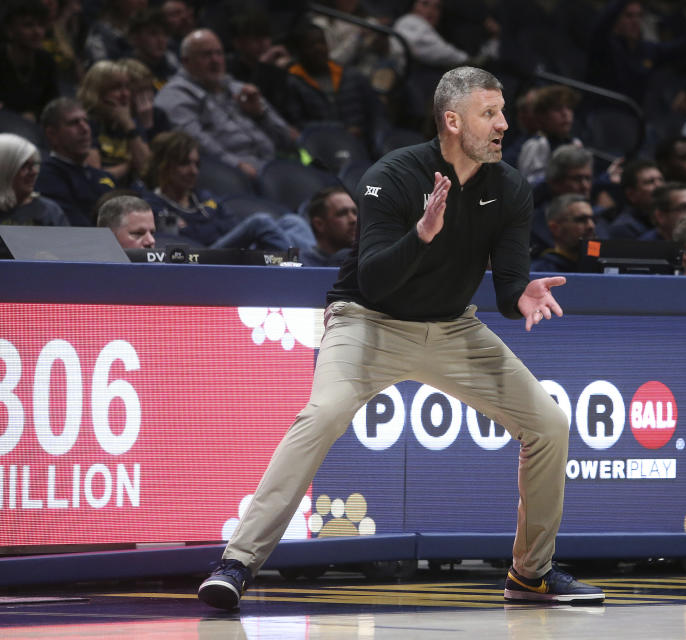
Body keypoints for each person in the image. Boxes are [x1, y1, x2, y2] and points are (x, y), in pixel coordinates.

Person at [196, 66, 604, 610]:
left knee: (549, 425)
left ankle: (530, 574)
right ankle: (237, 563)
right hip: (369, 321)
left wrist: (520, 295)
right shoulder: (392, 175)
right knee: (321, 416)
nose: (504, 124)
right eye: (491, 113)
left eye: (503, 111)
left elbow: (507, 284)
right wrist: (421, 236)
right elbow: (375, 279)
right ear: (453, 121)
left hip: (454, 326)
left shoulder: (508, 186)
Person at [155, 29, 297, 180]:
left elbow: (288, 138)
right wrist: (237, 166)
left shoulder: (238, 88)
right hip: (230, 176)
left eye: (219, 53)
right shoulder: (175, 96)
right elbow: (197, 145)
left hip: (275, 165)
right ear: (186, 61)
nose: (215, 60)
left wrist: (261, 115)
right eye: (206, 55)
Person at [142, 130, 291, 251]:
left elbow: (232, 225)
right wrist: (212, 226)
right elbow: (180, 243)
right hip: (203, 260)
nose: (194, 171)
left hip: (232, 252)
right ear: (164, 166)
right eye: (185, 163)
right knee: (260, 222)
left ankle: (304, 270)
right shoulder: (153, 205)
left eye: (197, 164)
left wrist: (194, 227)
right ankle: (303, 272)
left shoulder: (204, 197)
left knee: (292, 222)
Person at [283, 24, 386, 154]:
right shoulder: (292, 83)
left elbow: (376, 113)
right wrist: (341, 131)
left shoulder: (352, 75)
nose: (318, 48)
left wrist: (378, 141)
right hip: (324, 151)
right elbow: (297, 124)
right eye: (310, 45)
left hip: (364, 147)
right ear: (298, 51)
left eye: (321, 42)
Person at [35, 98, 118, 226]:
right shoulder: (45, 176)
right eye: (74, 123)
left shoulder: (103, 176)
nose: (85, 128)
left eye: (86, 121)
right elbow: (75, 228)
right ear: (52, 134)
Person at [77, 60, 152, 187]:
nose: (125, 94)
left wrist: (129, 126)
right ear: (97, 92)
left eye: (127, 87)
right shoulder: (85, 125)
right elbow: (98, 178)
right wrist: (129, 165)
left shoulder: (131, 123)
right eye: (115, 88)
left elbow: (148, 171)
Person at [0, 0, 59, 122]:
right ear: (9, 30)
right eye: (28, 25)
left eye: (41, 25)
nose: (37, 32)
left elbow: (53, 104)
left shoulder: (46, 61)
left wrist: (35, 115)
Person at [517, 85, 581, 184]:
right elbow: (529, 186)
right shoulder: (536, 145)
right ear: (542, 116)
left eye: (568, 108)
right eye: (557, 109)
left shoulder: (576, 143)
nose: (565, 113)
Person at [0, 133, 68, 226]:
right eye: (24, 166)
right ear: (5, 168)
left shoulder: (49, 211)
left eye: (34, 165)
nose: (34, 172)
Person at [290, 186, 357, 267]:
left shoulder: (364, 261)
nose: (353, 219)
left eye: (355, 212)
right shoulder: (297, 263)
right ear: (319, 224)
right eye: (342, 213)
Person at [530, 194, 596, 272]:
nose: (591, 226)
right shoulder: (540, 271)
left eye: (593, 219)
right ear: (555, 228)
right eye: (581, 220)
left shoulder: (600, 264)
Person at [606, 160, 663, 238]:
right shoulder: (622, 228)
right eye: (650, 182)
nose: (660, 186)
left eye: (661, 180)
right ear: (631, 194)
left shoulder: (668, 217)